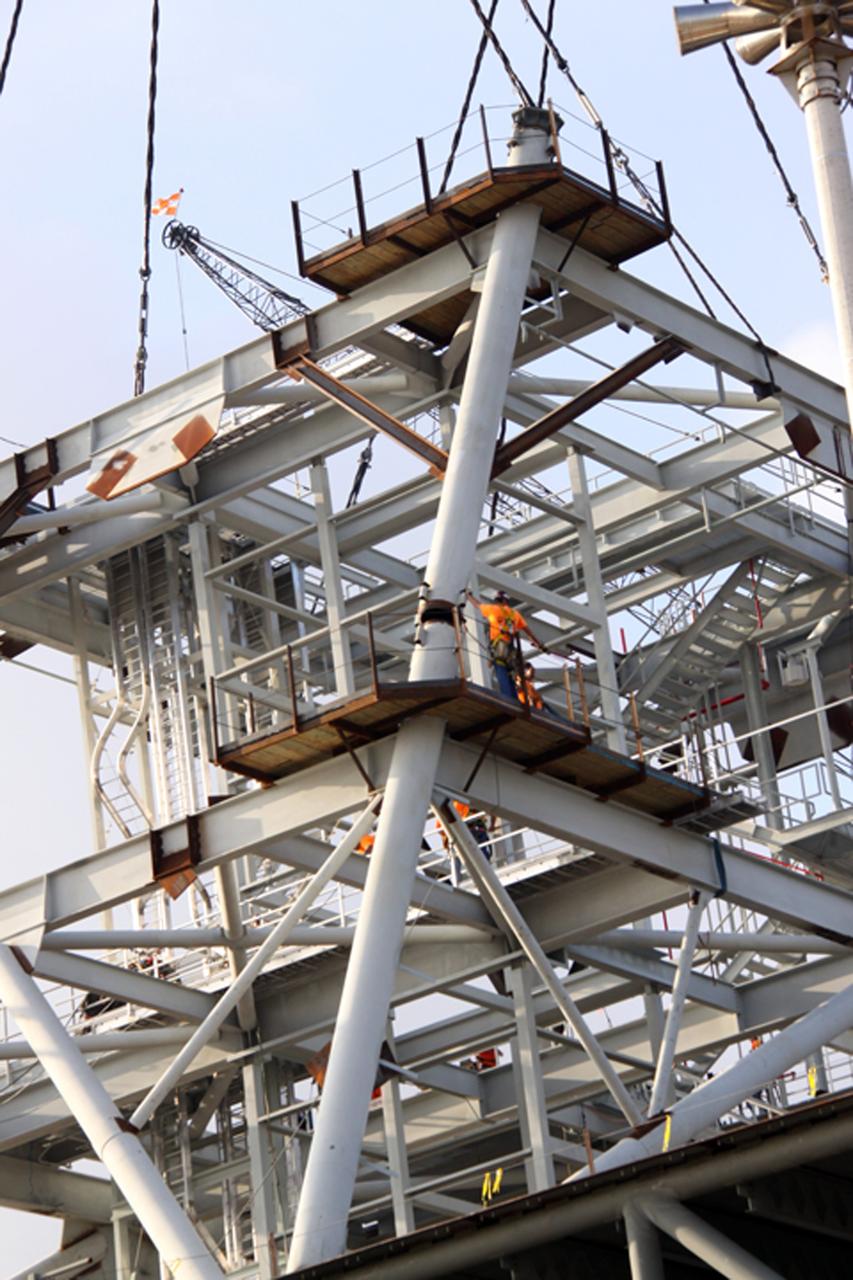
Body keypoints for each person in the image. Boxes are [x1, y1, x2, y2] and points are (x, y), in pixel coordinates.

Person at [468, 590, 548, 699]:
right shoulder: (515, 614)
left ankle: (509, 700)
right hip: (510, 651)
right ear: (506, 600)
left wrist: (468, 595)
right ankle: (514, 701)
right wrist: (539, 645)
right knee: (510, 674)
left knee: (502, 675)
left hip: (498, 650)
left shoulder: (492, 609)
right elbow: (529, 633)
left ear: (497, 600)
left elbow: (477, 605)